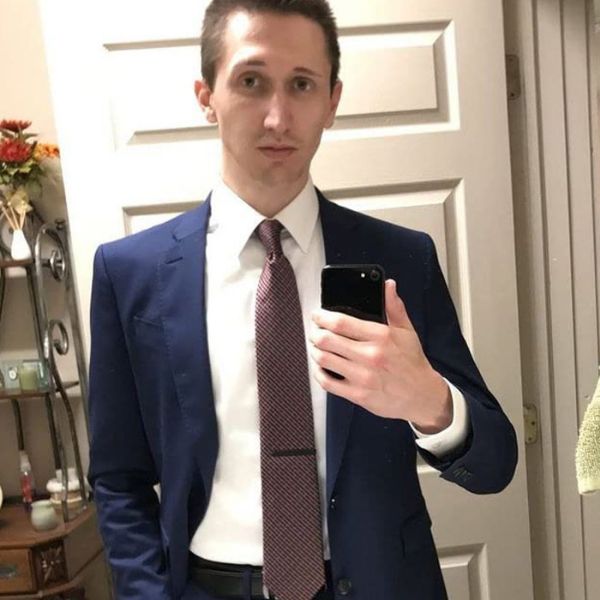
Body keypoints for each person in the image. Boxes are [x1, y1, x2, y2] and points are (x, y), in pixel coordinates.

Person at [87, 1, 518, 599]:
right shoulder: (130, 274)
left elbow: (495, 466)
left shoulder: (402, 260)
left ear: (332, 101)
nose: (277, 117)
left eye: (302, 84)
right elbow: (118, 478)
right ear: (206, 96)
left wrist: (431, 403)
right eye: (251, 81)